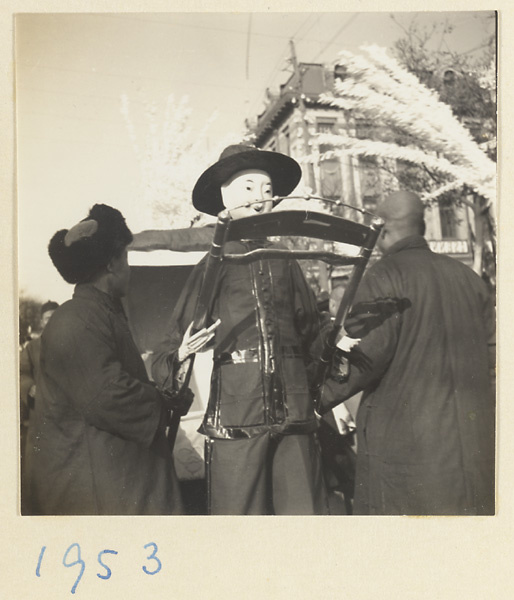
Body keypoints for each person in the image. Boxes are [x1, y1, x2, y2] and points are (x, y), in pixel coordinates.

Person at [152, 144, 329, 515]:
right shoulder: (214, 262)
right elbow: (172, 342)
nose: (260, 199)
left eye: (267, 191)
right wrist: (181, 354)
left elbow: (311, 330)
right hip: (237, 408)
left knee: (304, 512)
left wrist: (332, 343)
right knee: (240, 513)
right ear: (224, 196)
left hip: (294, 408)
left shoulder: (285, 260)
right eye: (249, 188)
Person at [320, 190, 496, 516]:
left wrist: (315, 397)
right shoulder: (471, 280)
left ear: (382, 231)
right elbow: (495, 361)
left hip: (411, 456)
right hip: (477, 452)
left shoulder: (382, 278)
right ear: (423, 226)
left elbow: (363, 359)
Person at [30, 204, 186, 515]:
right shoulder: (75, 319)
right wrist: (163, 401)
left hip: (112, 472)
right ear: (112, 264)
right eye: (126, 258)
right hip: (95, 483)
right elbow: (106, 396)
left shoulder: (100, 312)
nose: (129, 268)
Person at [19, 300, 59, 514]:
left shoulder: (72, 345)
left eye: (55, 316)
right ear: (41, 321)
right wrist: (29, 388)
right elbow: (21, 373)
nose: (51, 321)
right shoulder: (32, 348)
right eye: (47, 318)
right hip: (40, 416)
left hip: (67, 418)